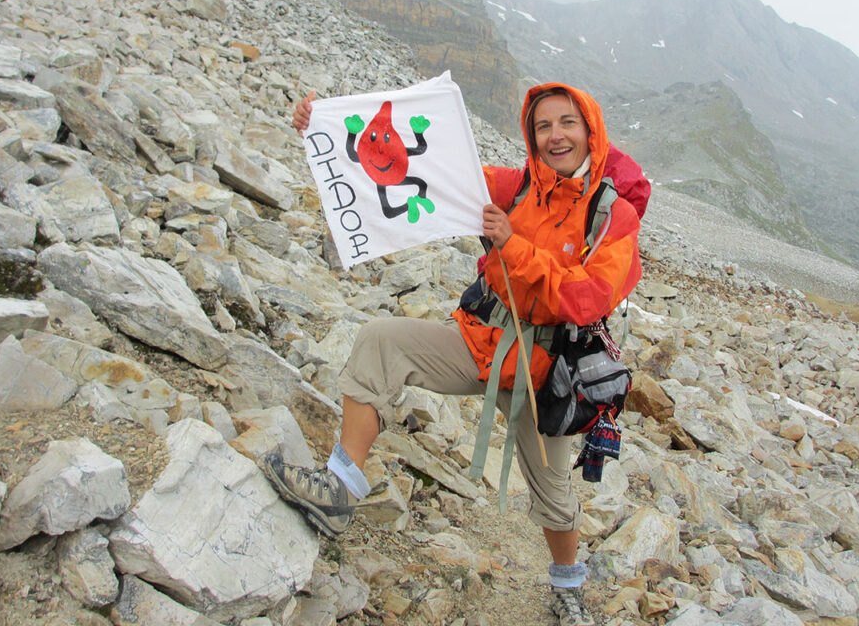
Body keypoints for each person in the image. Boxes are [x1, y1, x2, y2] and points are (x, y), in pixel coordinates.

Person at [265, 82, 645, 626]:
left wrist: (513, 245)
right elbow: (421, 171)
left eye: (567, 123)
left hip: (547, 372)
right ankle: (339, 489)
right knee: (380, 341)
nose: (555, 135)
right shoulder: (515, 188)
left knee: (554, 493)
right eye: (543, 126)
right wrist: (326, 125)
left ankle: (567, 588)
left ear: (591, 130)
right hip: (482, 340)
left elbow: (588, 299)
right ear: (530, 135)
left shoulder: (612, 217)